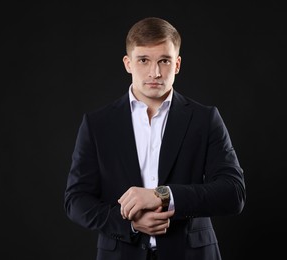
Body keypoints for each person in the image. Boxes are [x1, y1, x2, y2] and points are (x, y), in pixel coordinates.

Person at [64, 16, 246, 260]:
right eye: (143, 60)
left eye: (164, 61)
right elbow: (75, 201)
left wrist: (163, 195)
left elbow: (233, 193)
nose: (155, 72)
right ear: (128, 63)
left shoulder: (205, 119)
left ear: (177, 64)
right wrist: (129, 222)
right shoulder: (97, 124)